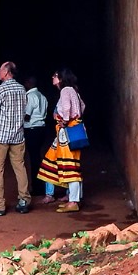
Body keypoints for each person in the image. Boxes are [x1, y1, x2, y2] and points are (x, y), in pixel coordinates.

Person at [0, 61, 31, 216]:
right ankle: (24, 201)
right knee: (20, 168)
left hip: (0, 136)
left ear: (6, 73)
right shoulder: (21, 89)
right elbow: (24, 111)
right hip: (18, 136)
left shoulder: (0, 90)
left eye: (0, 69)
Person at [37, 68, 85, 213]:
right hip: (73, 130)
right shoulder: (74, 90)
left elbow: (66, 108)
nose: (53, 77)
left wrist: (64, 120)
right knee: (69, 164)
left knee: (70, 167)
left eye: (55, 75)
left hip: (66, 132)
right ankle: (72, 198)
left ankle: (73, 201)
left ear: (62, 78)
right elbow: (82, 106)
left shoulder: (65, 91)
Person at [22, 75, 50, 197]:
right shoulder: (42, 96)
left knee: (34, 159)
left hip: (32, 129)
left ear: (29, 83)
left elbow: (27, 115)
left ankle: (37, 187)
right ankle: (42, 185)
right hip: (41, 128)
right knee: (37, 157)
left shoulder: (30, 96)